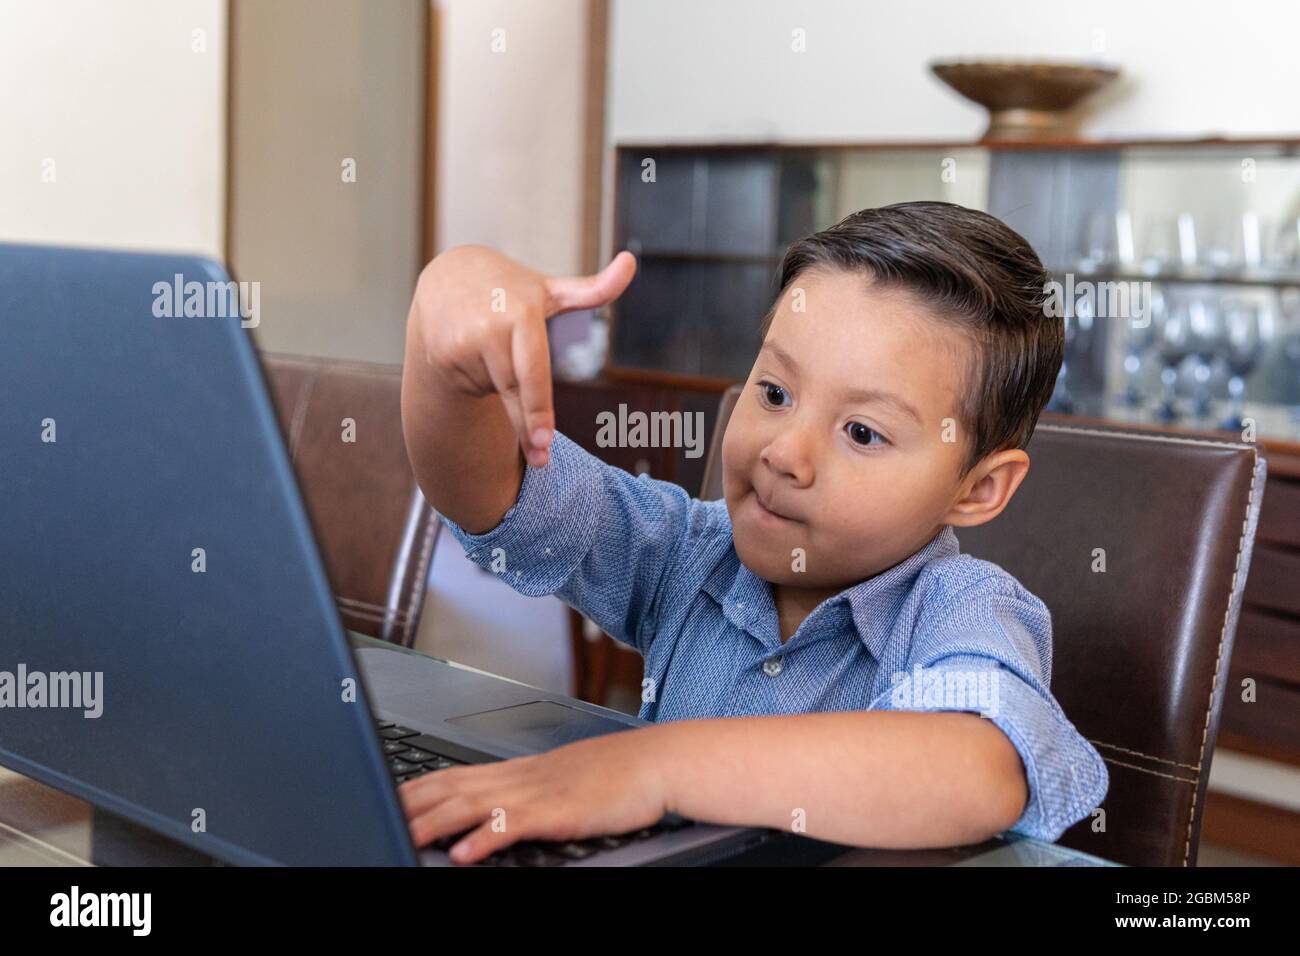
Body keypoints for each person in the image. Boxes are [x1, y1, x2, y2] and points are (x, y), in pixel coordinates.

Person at [398, 201, 1108, 864]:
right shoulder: (690, 552)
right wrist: (442, 335)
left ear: (979, 488)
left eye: (862, 432)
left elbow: (975, 768)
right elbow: (494, 495)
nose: (784, 453)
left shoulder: (961, 607)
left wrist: (653, 768)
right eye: (775, 393)